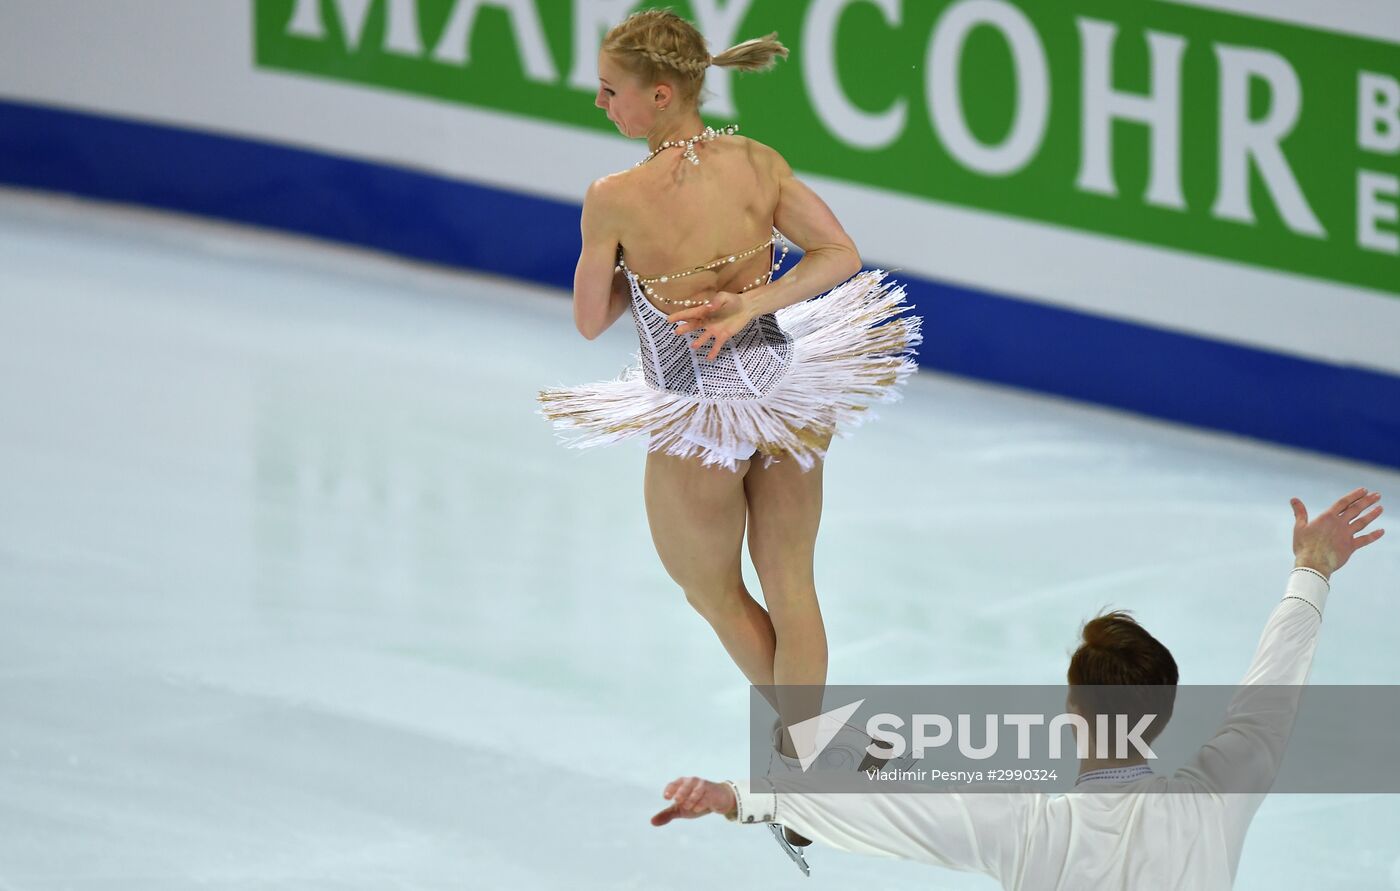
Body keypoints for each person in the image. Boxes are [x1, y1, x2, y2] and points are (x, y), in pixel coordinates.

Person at [536, 8, 922, 798]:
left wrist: (639, 270)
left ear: (661, 94)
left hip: (695, 413)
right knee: (793, 585)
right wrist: (750, 302)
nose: (599, 102)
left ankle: (812, 760)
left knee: (713, 592)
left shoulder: (614, 196)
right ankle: (820, 756)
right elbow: (839, 253)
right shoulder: (757, 161)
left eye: (610, 90)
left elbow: (589, 320)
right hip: (785, 392)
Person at [651, 488, 1386, 888]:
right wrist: (1312, 567)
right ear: (1161, 715)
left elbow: (890, 814)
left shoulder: (1032, 828)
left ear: (1073, 715)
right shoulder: (1216, 796)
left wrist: (739, 797)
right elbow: (1268, 697)